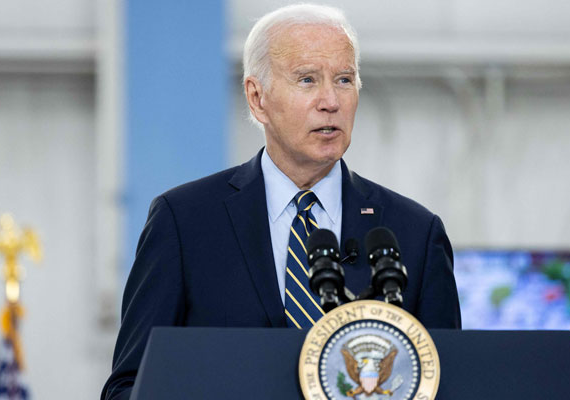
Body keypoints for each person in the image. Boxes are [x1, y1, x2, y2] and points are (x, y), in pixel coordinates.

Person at [102, 4, 460, 399]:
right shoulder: (185, 222)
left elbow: (450, 384)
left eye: (344, 79)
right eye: (307, 80)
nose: (330, 101)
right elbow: (128, 387)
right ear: (258, 98)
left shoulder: (413, 233)